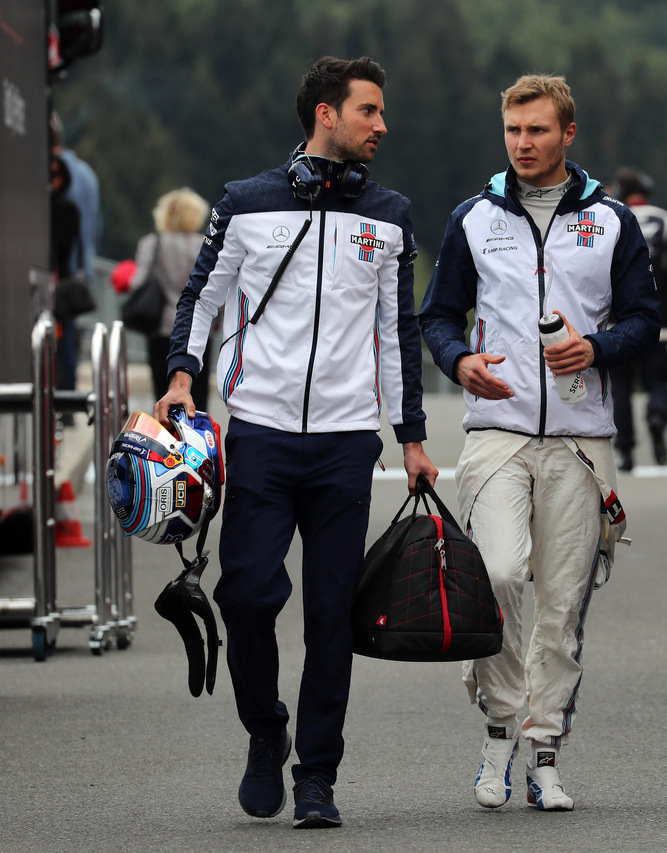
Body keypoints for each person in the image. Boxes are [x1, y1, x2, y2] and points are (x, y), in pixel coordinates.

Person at [154, 55, 437, 830]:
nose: (383, 125)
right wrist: (183, 375)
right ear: (326, 115)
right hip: (262, 436)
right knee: (245, 593)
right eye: (370, 111)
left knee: (331, 616)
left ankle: (317, 774)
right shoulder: (246, 203)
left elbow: (395, 332)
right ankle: (264, 728)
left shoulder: (390, 214)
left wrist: (409, 435)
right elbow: (202, 296)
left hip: (347, 443)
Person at [419, 74, 659, 811]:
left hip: (583, 440)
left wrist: (598, 347)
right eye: (513, 131)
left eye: (538, 131)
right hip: (496, 432)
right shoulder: (473, 216)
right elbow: (438, 316)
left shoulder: (613, 221)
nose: (523, 144)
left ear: (568, 135)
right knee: (496, 573)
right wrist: (460, 360)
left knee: (561, 603)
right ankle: (496, 730)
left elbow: (645, 321)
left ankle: (543, 750)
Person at [608, 167, 667, 470]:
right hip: (658, 323)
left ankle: (626, 451)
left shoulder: (611, 219)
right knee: (657, 381)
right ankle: (657, 415)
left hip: (617, 324)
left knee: (621, 388)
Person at [131, 188, 212, 410]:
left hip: (161, 328)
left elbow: (138, 282)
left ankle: (167, 441)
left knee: (163, 394)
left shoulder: (152, 243)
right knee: (198, 397)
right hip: (198, 328)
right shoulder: (204, 244)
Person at [51, 115, 102, 393]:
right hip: (82, 272)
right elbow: (96, 227)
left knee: (56, 337)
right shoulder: (87, 174)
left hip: (58, 270)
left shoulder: (46, 170)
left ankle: (62, 395)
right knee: (69, 335)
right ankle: (69, 392)